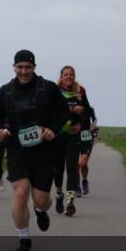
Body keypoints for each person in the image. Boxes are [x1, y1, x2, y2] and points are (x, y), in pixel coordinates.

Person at [0, 50, 69, 251]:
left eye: (28, 67)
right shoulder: (5, 91)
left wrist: (53, 128)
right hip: (17, 148)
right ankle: (23, 238)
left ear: (34, 67)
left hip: (43, 150)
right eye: (20, 67)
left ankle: (40, 210)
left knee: (41, 200)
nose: (24, 71)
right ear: (14, 67)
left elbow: (63, 111)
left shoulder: (48, 88)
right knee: (20, 192)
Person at [53, 66, 93, 216]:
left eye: (71, 74)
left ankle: (70, 202)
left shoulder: (80, 91)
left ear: (74, 76)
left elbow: (88, 109)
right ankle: (58, 194)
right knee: (58, 169)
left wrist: (82, 109)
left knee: (72, 167)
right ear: (61, 76)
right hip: (57, 133)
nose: (68, 77)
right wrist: (67, 110)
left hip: (73, 134)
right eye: (66, 74)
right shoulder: (55, 90)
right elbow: (49, 109)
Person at [78, 103, 98, 194]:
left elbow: (94, 119)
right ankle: (77, 186)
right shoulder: (70, 107)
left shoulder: (89, 108)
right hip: (74, 138)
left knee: (83, 164)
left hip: (87, 138)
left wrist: (93, 125)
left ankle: (84, 180)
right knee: (75, 166)